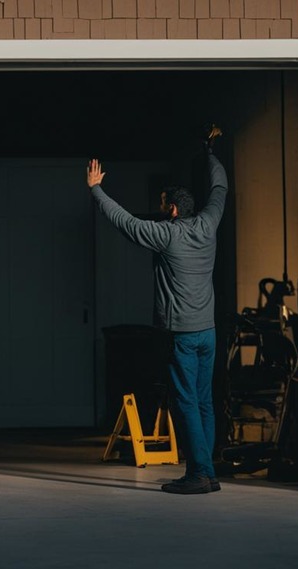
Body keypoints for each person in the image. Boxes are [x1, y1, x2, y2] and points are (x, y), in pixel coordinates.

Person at [87, 126, 227, 495]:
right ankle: (208, 471)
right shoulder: (210, 223)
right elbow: (219, 189)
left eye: (165, 205)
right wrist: (210, 153)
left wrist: (95, 189)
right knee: (205, 401)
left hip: (181, 333)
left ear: (174, 209)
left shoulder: (167, 234)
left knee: (187, 404)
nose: (163, 210)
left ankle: (199, 474)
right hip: (208, 331)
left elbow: (126, 223)